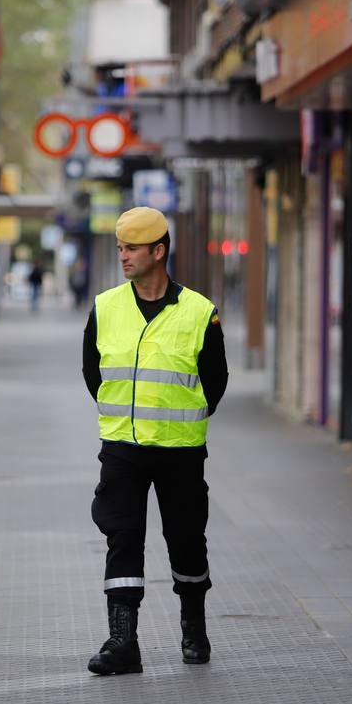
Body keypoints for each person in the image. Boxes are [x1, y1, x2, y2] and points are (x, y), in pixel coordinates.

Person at [81, 207, 228, 675]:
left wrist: (180, 420)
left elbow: (216, 381)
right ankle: (123, 642)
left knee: (187, 542)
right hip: (122, 448)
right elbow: (92, 372)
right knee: (122, 538)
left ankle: (194, 626)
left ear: (158, 251)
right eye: (120, 248)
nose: (123, 256)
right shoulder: (105, 308)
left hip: (180, 451)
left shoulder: (200, 312)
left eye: (131, 248)